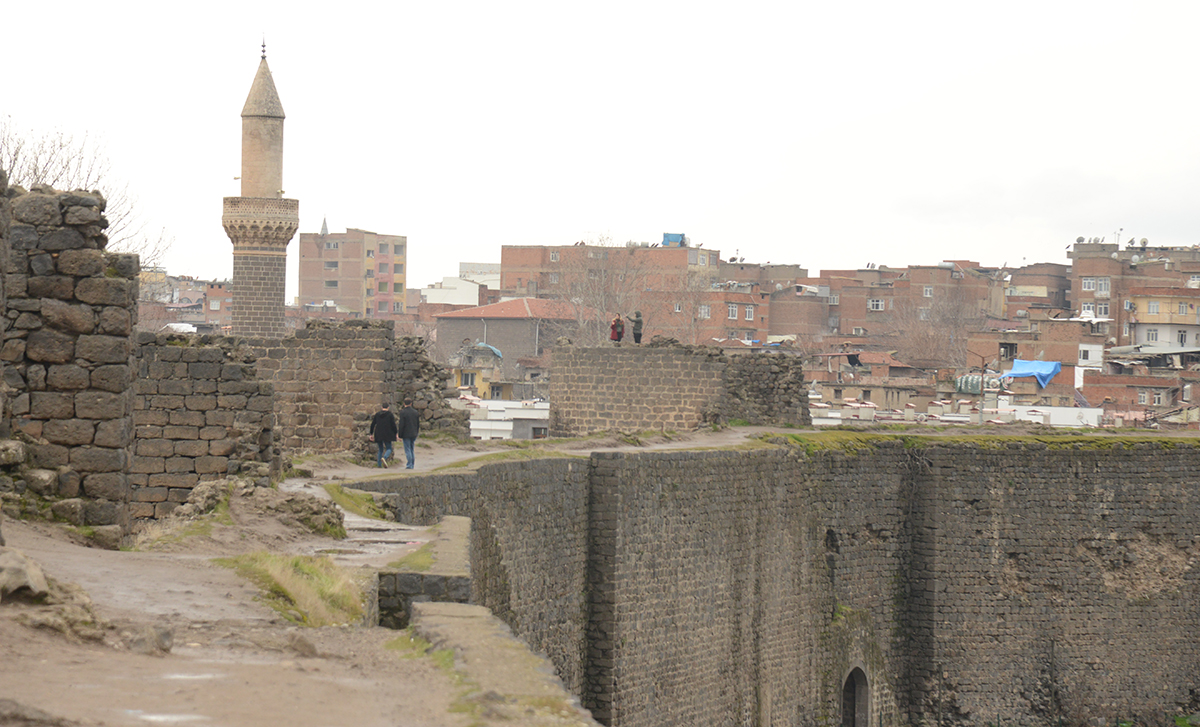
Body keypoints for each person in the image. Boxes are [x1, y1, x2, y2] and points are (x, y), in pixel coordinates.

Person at [368, 402, 398, 468]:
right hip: (387, 434)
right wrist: (396, 433)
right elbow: (393, 425)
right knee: (389, 448)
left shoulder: (377, 414)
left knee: (380, 449)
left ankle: (379, 465)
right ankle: (384, 457)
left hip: (378, 433)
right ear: (388, 407)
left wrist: (371, 434)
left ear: (382, 407)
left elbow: (373, 424)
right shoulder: (390, 415)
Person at [398, 398, 421, 470]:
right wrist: (416, 432)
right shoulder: (415, 412)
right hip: (413, 433)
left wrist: (399, 435)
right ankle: (412, 464)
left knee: (407, 449)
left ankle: (409, 465)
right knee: (411, 449)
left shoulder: (403, 412)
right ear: (411, 404)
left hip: (406, 433)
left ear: (404, 404)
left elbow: (401, 424)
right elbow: (417, 424)